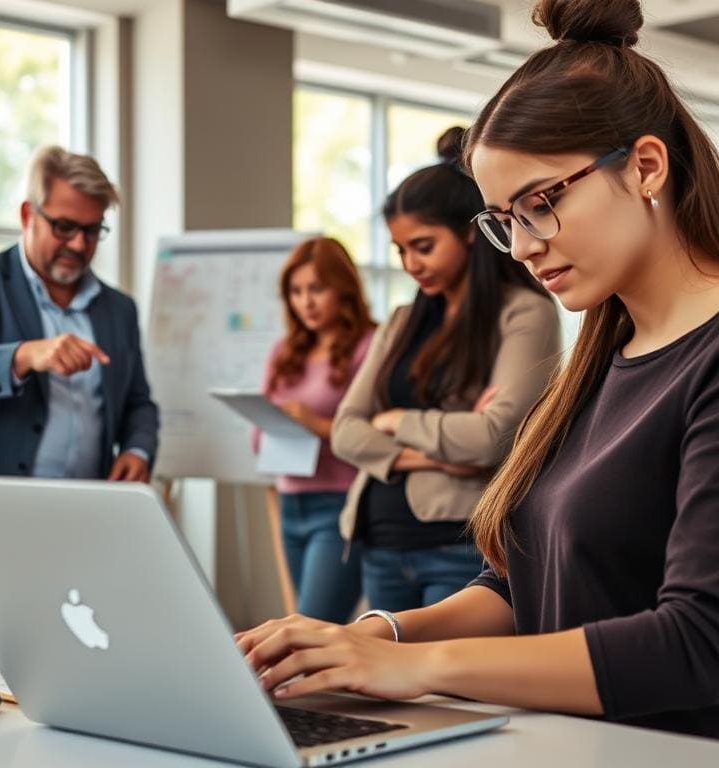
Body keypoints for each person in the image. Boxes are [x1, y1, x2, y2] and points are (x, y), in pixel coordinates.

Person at [238, 0, 719, 739]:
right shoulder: (598, 360)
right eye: (503, 221)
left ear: (646, 166)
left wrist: (418, 670)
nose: (522, 247)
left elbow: (696, 645)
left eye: (539, 205)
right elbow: (520, 585)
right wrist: (380, 636)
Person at [329, 127, 560, 612]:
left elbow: (491, 439)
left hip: (458, 548)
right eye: (400, 251)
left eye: (424, 246)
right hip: (378, 543)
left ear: (469, 233)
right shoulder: (402, 322)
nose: (411, 263)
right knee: (379, 685)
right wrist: (438, 453)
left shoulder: (523, 313)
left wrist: (395, 422)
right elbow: (345, 432)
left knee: (444, 684)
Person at [0, 146, 159, 480]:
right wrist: (24, 356)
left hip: (84, 511)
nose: (78, 244)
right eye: (64, 226)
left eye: (91, 231)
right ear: (27, 215)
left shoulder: (119, 309)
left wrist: (138, 450)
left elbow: (138, 403)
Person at [256, 237, 375, 623]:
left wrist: (315, 423)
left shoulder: (369, 345)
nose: (306, 301)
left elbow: (375, 434)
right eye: (296, 291)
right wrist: (267, 424)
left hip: (341, 504)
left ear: (342, 289)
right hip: (290, 501)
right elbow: (259, 434)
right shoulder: (284, 350)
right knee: (303, 625)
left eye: (316, 289)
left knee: (312, 624)